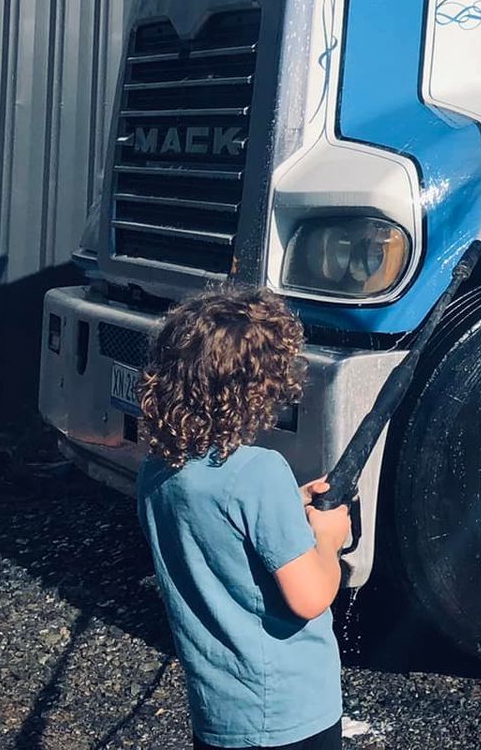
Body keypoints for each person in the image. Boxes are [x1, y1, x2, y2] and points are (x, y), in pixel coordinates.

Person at [135, 290, 349, 750]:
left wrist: (291, 502)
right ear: (257, 390)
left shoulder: (157, 471)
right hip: (289, 714)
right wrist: (328, 539)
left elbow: (219, 525)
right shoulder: (260, 472)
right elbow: (310, 596)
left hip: (218, 715)